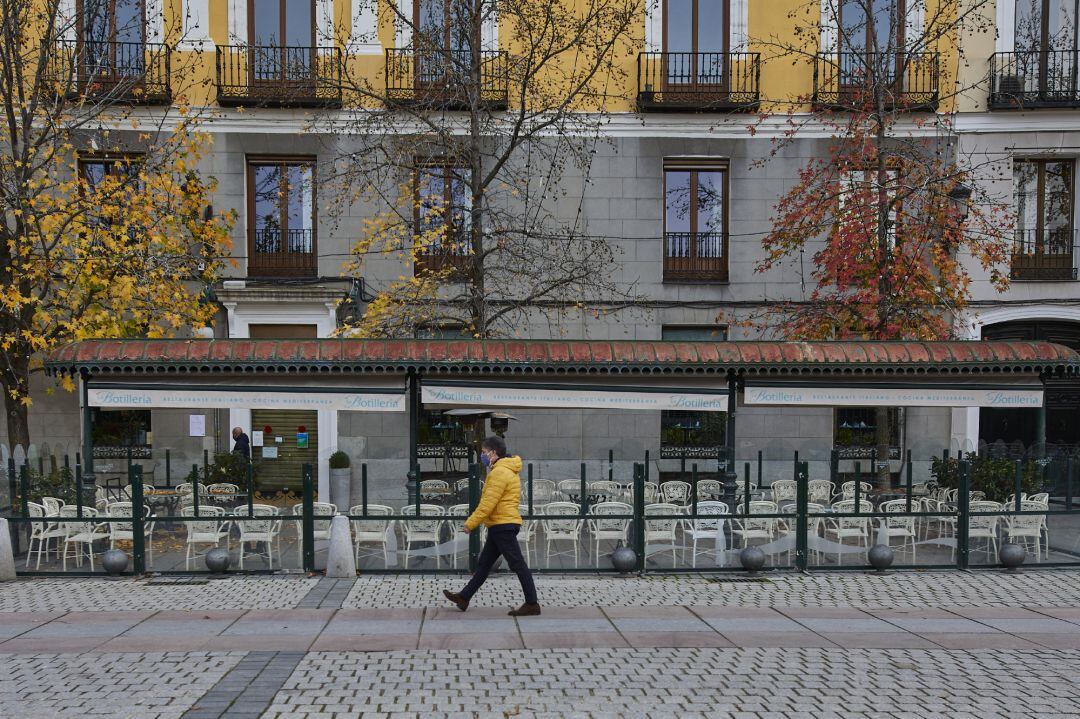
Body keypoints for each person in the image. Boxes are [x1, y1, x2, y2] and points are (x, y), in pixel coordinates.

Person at [444, 436, 540, 616]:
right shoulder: (505, 469)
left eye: (483, 452)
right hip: (500, 524)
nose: (482, 455)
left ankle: (532, 603)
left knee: (517, 564)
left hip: (502, 524)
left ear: (493, 453)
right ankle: (464, 598)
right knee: (484, 564)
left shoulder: (499, 472)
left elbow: (488, 503)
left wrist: (471, 523)